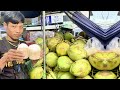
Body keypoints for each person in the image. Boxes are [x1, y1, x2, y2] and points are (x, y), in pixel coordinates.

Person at [0, 11, 29, 79]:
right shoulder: (1, 44)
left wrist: (35, 60)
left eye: (21, 27)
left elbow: (26, 68)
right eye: (13, 26)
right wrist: (4, 59)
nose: (18, 31)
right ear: (5, 25)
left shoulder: (23, 44)